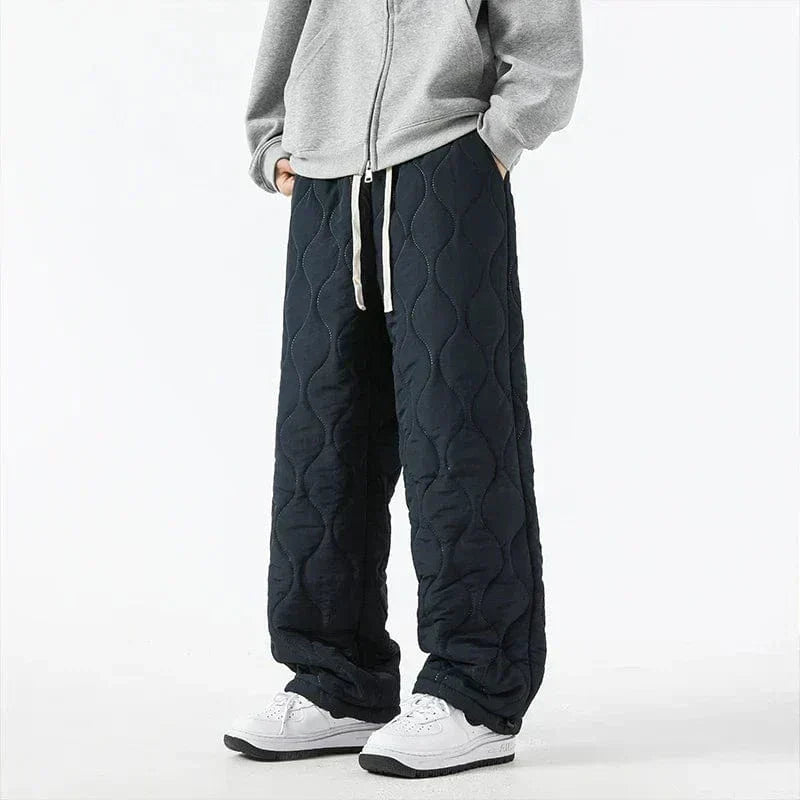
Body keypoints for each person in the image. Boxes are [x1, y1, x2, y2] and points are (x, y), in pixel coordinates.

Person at [224, 0, 582, 779]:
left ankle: (475, 691)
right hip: (326, 176)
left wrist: (496, 141)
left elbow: (544, 41)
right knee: (322, 433)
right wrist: (273, 138)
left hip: (446, 158)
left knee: (456, 427)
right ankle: (336, 679)